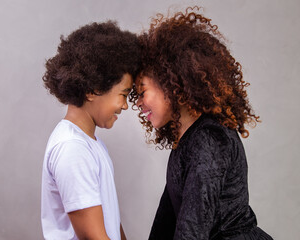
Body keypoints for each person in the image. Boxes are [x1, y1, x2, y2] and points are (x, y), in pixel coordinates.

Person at [129, 7, 273, 240]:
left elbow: (192, 232)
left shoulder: (209, 139)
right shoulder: (187, 139)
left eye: (142, 91)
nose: (139, 104)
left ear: (170, 83)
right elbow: (166, 219)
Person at [41, 21, 140, 240]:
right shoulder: (73, 149)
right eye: (123, 94)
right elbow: (93, 237)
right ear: (92, 90)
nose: (125, 105)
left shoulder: (89, 143)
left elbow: (109, 221)